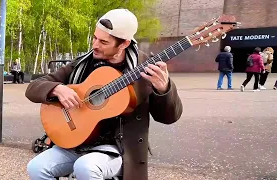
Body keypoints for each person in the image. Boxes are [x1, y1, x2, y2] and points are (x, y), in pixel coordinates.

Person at [25, 8, 183, 180]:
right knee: (36, 167)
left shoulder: (144, 69)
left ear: (124, 44)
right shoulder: (82, 64)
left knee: (85, 167)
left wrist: (164, 89)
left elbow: (169, 117)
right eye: (95, 38)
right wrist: (56, 88)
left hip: (117, 149)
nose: (95, 45)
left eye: (103, 42)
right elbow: (33, 87)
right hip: (75, 142)